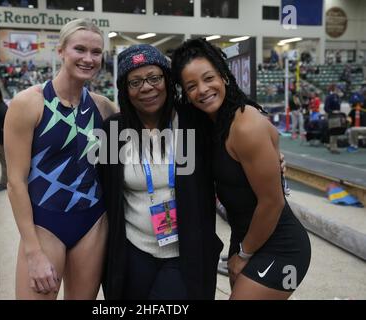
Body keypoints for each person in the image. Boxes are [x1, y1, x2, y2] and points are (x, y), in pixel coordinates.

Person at [171, 38, 311, 300]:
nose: (202, 90)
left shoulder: (245, 124)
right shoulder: (208, 124)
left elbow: (272, 202)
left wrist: (243, 254)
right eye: (191, 86)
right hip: (246, 239)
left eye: (208, 78)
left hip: (281, 247)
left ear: (223, 76)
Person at [99, 44, 224, 299]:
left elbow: (233, 152)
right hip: (134, 252)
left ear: (167, 80)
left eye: (154, 78)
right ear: (125, 89)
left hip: (186, 252)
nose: (146, 87)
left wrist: (272, 156)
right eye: (135, 82)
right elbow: (102, 188)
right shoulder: (113, 132)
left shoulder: (194, 122)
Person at [4, 19, 117, 300]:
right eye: (80, 49)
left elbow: (122, 164)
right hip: (46, 223)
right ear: (61, 51)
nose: (88, 58)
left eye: (96, 52)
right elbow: (15, 183)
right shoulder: (29, 104)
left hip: (92, 222)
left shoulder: (104, 108)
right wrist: (32, 251)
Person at [324, 84, 342, 154]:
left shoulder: (337, 97)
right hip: (332, 116)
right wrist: (332, 111)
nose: (339, 89)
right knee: (334, 132)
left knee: (336, 132)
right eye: (337, 88)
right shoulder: (330, 97)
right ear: (334, 89)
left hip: (337, 116)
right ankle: (333, 148)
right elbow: (326, 108)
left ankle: (331, 145)